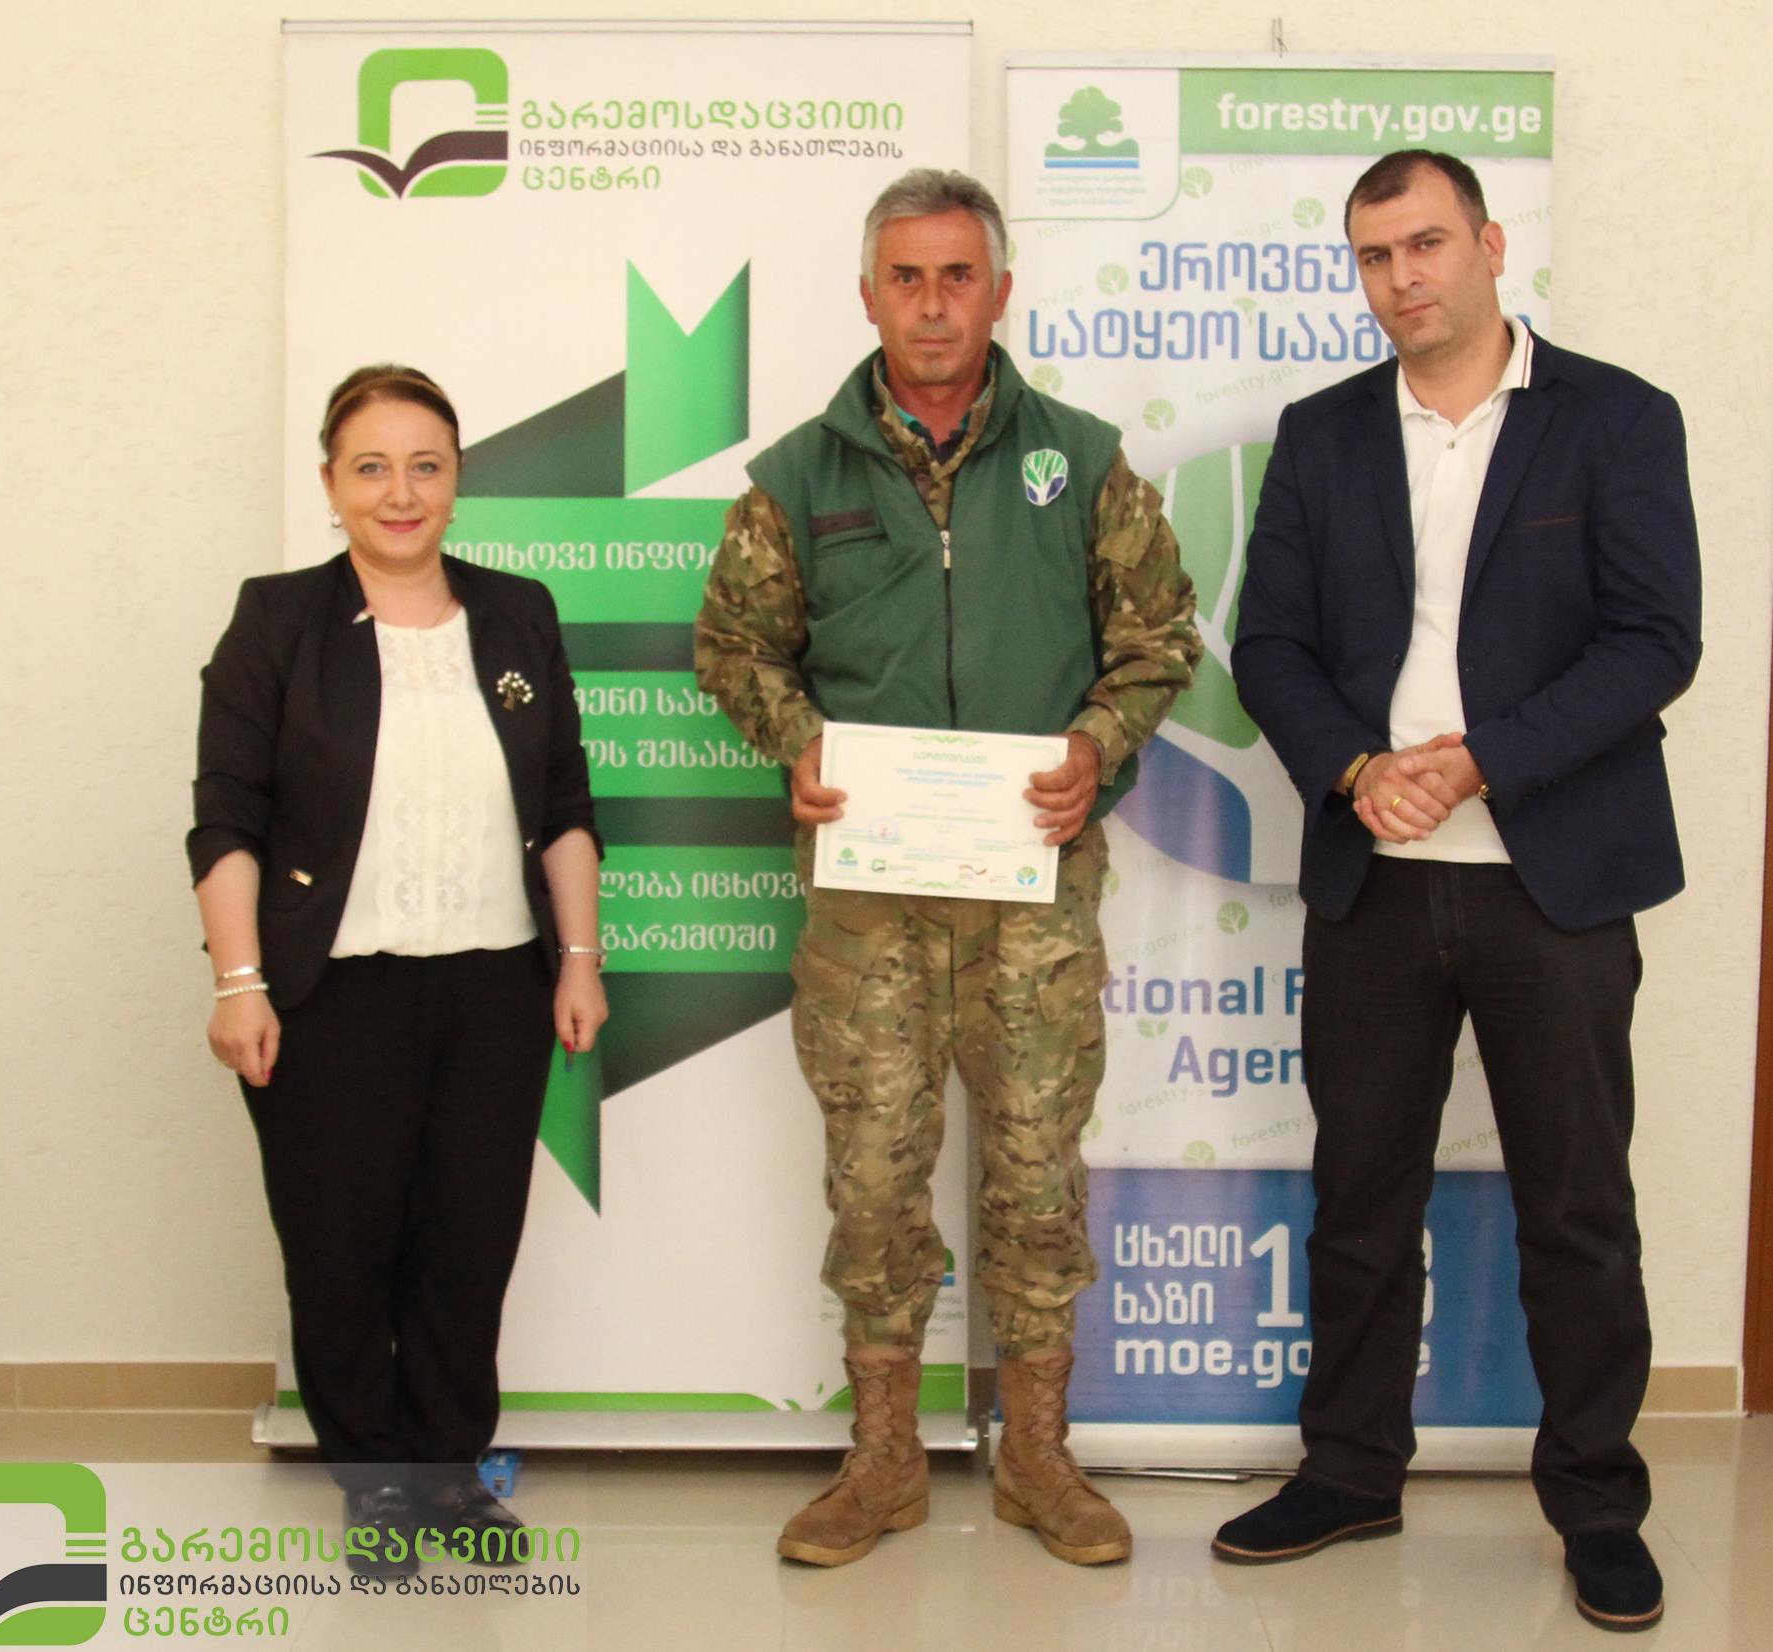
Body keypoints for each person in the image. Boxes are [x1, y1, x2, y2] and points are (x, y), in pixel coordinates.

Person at [695, 168, 1201, 1568]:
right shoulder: (797, 478)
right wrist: (793, 739)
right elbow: (731, 646)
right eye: (906, 278)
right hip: (870, 911)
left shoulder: (1081, 461)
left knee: (1036, 1181)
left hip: (1033, 899)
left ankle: (1037, 1455)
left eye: (957, 277)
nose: (932, 305)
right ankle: (883, 1463)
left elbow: (1159, 636)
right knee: (873, 1183)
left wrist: (1098, 745)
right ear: (869, 295)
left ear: (999, 292)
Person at [1223, 151, 1700, 1632]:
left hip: (1554, 880)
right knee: (1361, 1197)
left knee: (1577, 1208)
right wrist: (1359, 769)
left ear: (1490, 245)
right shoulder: (1320, 434)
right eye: (1374, 256)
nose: (1401, 278)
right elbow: (1269, 645)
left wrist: (1480, 762)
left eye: (1424, 243)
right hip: (1374, 875)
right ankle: (1350, 1468)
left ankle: (1596, 1503)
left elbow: (1653, 641)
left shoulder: (1617, 418)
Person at [188, 365, 606, 1575]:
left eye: (426, 464)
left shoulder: (517, 614)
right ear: (331, 484)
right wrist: (238, 980)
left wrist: (579, 960)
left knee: (467, 1246)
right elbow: (227, 819)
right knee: (341, 1247)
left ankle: (448, 1473)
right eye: (371, 466)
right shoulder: (277, 620)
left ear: (458, 479)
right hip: (330, 994)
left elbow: (563, 804)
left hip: (495, 989)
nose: (400, 490)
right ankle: (372, 1479)